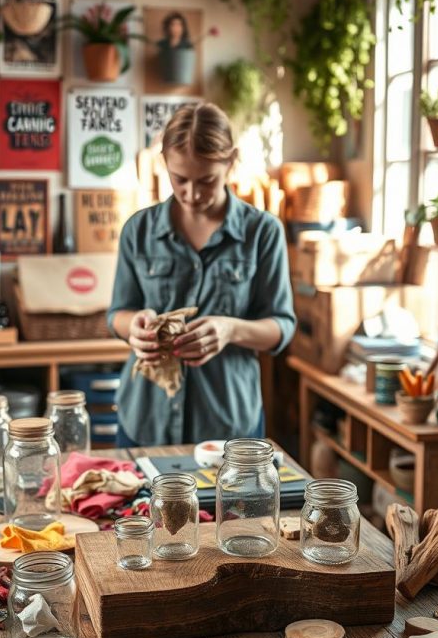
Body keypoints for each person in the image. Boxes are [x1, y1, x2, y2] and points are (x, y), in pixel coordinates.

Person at [107, 102, 296, 447]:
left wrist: (230, 329)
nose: (192, 194)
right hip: (146, 417)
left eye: (207, 180)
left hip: (228, 422)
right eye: (179, 179)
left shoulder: (262, 232)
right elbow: (117, 314)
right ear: (165, 162)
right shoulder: (138, 230)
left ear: (230, 162)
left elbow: (281, 327)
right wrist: (134, 327)